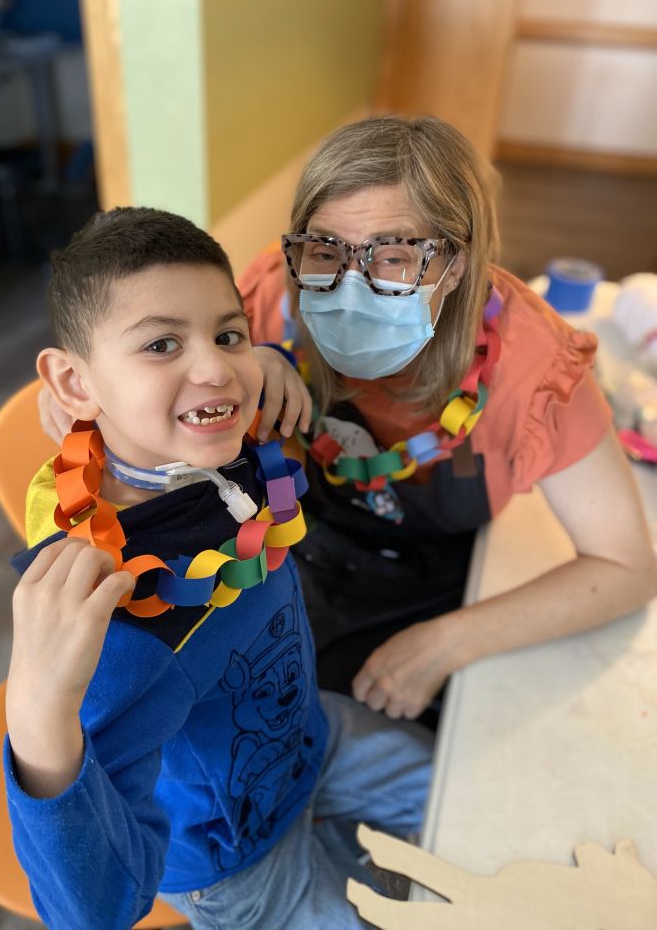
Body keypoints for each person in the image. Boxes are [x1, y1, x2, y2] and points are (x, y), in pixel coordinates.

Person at [4, 206, 433, 930]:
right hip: (231, 857)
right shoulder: (119, 622)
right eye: (162, 343)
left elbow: (238, 373)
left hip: (307, 739)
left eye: (227, 333)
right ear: (75, 385)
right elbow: (93, 912)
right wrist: (39, 718)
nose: (214, 370)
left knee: (477, 786)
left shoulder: (219, 445)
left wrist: (263, 358)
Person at [235, 114, 656, 720]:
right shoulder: (272, 298)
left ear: (455, 266)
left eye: (394, 256)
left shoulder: (535, 371)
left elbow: (626, 568)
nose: (349, 286)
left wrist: (449, 641)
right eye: (327, 248)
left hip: (431, 583)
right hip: (293, 548)